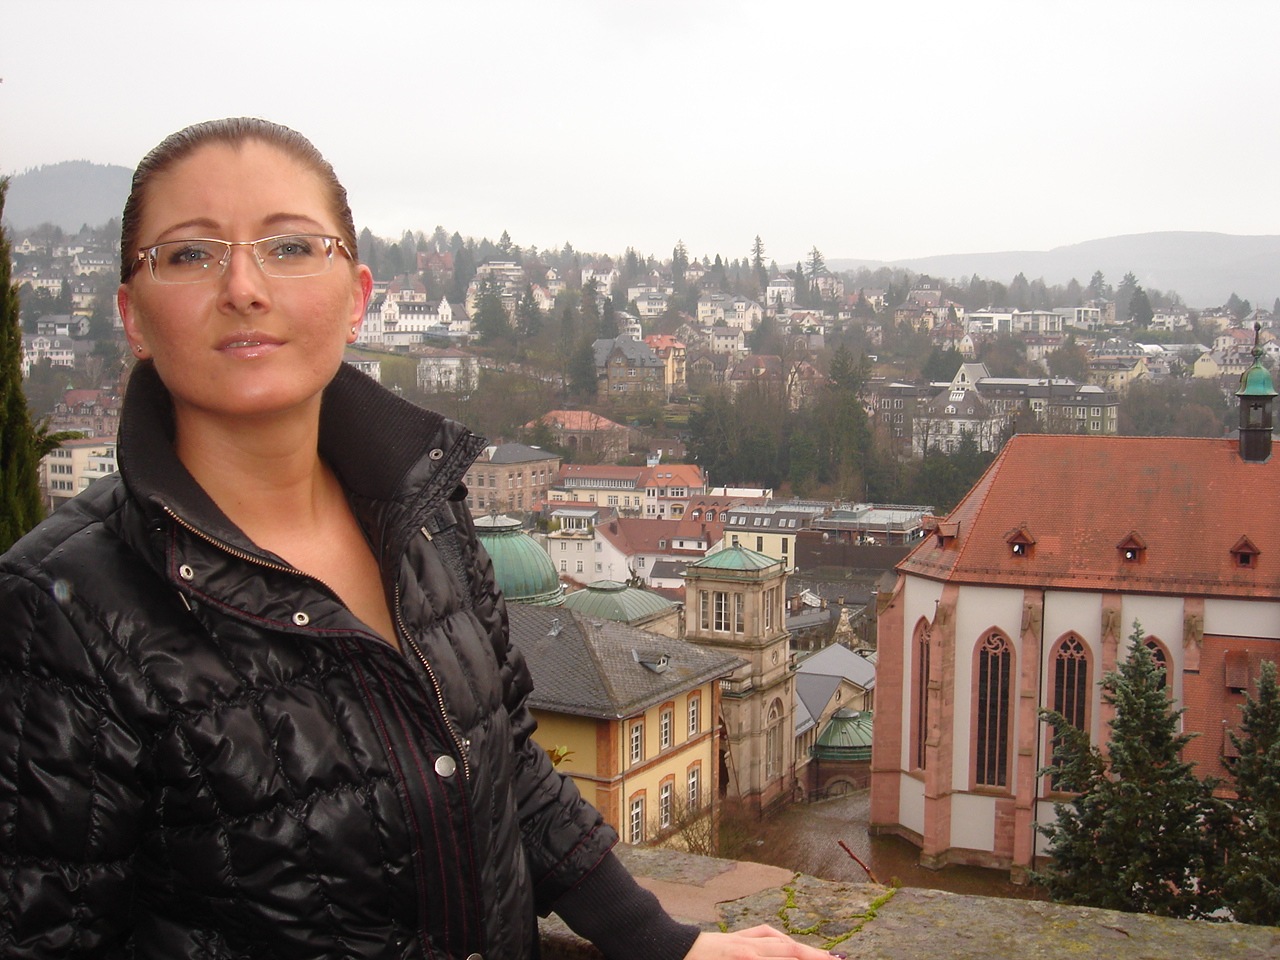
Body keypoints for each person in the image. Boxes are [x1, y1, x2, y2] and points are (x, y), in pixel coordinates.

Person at [0, 118, 836, 960]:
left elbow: (505, 762)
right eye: (189, 254)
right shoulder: (55, 612)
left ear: (357, 297)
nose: (244, 287)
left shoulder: (426, 513)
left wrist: (662, 942)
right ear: (133, 316)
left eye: (290, 247)